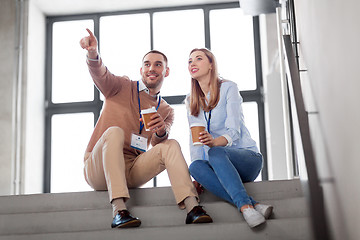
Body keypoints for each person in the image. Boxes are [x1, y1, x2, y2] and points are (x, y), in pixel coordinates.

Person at [79, 29, 213, 229]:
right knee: (115, 131)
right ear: (141, 70)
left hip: (132, 169)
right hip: (98, 168)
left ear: (166, 72)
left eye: (158, 64)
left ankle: (193, 207)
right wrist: (92, 53)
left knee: (171, 144)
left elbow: (159, 144)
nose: (152, 68)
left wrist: (160, 132)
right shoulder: (121, 86)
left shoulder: (166, 110)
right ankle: (119, 210)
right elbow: (101, 74)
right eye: (147, 64)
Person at [186, 48, 273, 228]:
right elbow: (195, 142)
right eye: (189, 61)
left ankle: (245, 206)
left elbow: (235, 130)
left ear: (211, 64)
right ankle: (251, 205)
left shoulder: (228, 88)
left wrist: (215, 142)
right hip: (220, 166)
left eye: (198, 59)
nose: (192, 63)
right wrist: (200, 175)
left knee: (216, 152)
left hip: (246, 159)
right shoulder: (191, 100)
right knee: (195, 166)